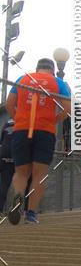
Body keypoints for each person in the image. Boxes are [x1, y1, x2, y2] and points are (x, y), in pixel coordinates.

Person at [5, 58, 71, 225]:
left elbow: (9, 104)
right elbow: (68, 108)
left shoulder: (23, 79)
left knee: (21, 172)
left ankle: (18, 194)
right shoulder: (58, 83)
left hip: (21, 130)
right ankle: (31, 214)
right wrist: (54, 120)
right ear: (53, 70)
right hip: (45, 131)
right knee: (39, 174)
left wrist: (19, 119)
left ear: (36, 68)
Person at [0, 119, 15, 214]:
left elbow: (2, 141)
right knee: (4, 186)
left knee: (3, 186)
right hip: (11, 159)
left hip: (2, 156)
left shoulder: (6, 123)